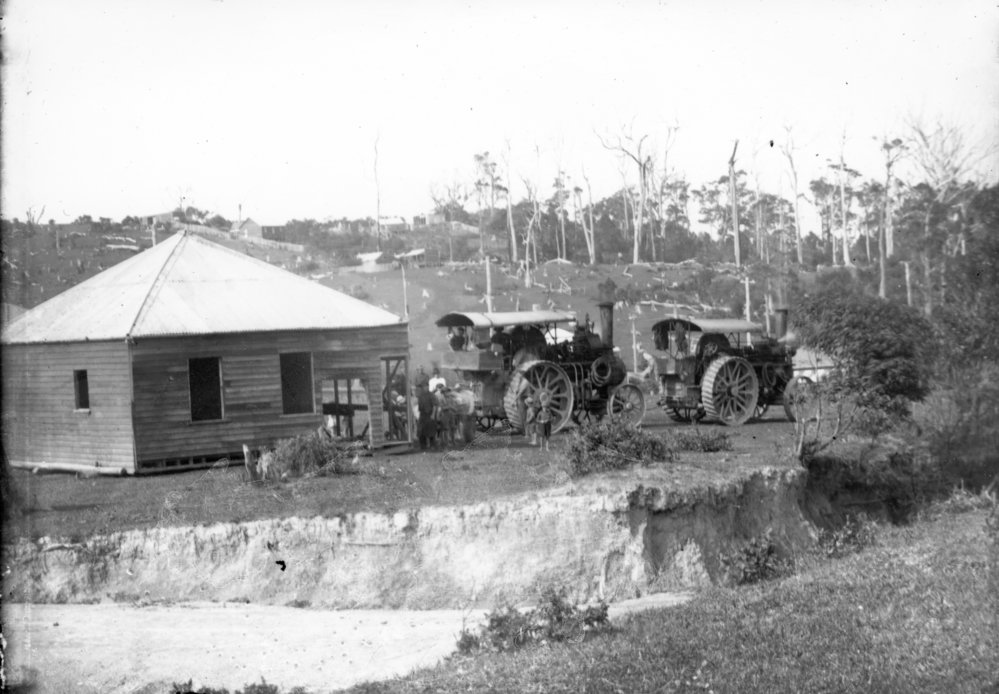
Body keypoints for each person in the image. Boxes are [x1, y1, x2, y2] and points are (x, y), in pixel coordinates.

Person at [416, 384, 437, 451]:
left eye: (426, 386)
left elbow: (435, 406)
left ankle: (432, 445)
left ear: (428, 387)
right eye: (424, 387)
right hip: (422, 415)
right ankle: (423, 445)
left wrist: (433, 415)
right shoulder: (420, 396)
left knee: (431, 430)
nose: (425, 388)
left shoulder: (431, 395)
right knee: (421, 430)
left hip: (429, 414)